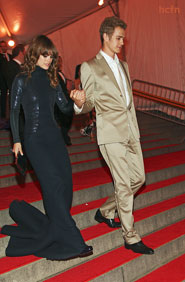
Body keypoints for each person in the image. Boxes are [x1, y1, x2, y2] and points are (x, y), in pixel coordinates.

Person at [0, 35, 93, 260]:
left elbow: (65, 108)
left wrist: (77, 101)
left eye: (52, 56)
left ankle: (56, 227)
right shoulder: (21, 79)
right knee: (52, 186)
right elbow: (13, 111)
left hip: (54, 140)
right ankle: (74, 241)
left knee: (66, 185)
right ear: (34, 54)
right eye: (45, 55)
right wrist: (17, 140)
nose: (49, 60)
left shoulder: (52, 80)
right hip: (34, 141)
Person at [76, 16, 154, 255]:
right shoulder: (90, 66)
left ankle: (106, 211)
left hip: (130, 130)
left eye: (123, 38)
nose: (122, 42)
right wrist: (79, 103)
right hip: (110, 133)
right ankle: (130, 237)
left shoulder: (124, 65)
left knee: (138, 179)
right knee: (122, 183)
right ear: (106, 37)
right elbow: (88, 102)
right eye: (119, 38)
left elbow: (126, 100)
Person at [54, 56, 73, 146]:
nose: (60, 63)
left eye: (60, 61)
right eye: (58, 61)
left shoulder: (60, 73)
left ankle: (63, 136)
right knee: (64, 120)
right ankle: (64, 137)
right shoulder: (53, 74)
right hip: (59, 102)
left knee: (67, 119)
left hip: (66, 98)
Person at [0, 41, 12, 119]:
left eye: (5, 46)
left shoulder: (11, 56)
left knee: (12, 96)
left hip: (10, 79)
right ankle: (3, 115)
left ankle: (11, 113)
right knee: (3, 98)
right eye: (2, 46)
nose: (4, 47)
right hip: (2, 81)